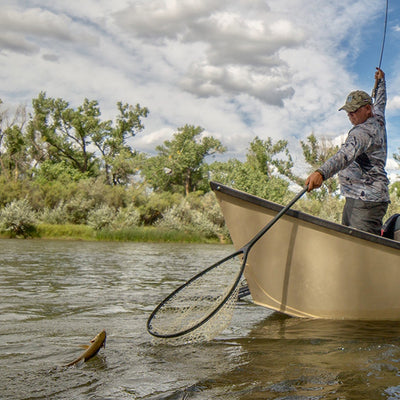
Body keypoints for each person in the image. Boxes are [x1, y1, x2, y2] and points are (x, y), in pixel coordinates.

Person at [305, 68, 390, 235]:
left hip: (366, 201)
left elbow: (344, 156)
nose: (350, 115)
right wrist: (381, 82)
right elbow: (380, 101)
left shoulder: (363, 132)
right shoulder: (377, 115)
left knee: (360, 250)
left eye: (354, 111)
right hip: (358, 197)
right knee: (347, 244)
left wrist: (321, 173)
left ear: (367, 108)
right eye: (348, 112)